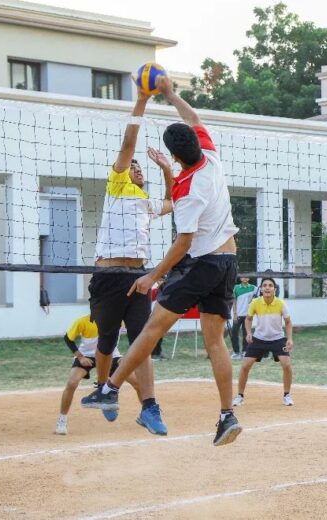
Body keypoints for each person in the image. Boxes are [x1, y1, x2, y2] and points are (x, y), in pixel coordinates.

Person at [82, 75, 243, 447]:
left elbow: (184, 241)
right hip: (228, 262)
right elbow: (194, 119)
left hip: (201, 264)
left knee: (152, 328)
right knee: (215, 342)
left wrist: (154, 275)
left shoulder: (185, 191)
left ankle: (111, 389)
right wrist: (170, 94)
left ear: (173, 155)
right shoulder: (212, 160)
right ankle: (226, 414)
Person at [86, 90, 173, 435]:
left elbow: (171, 202)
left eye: (139, 166)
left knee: (143, 341)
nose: (135, 167)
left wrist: (166, 169)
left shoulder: (146, 204)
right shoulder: (117, 185)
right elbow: (127, 145)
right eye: (132, 165)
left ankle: (150, 407)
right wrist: (141, 103)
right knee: (106, 342)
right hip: (108, 276)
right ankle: (105, 389)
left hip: (138, 277)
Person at [56, 314, 141, 435]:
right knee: (71, 383)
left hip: (111, 356)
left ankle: (146, 412)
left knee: (137, 382)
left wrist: (126, 356)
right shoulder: (83, 321)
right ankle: (62, 420)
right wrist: (80, 357)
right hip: (87, 356)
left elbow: (137, 334)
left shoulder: (118, 320)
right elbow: (67, 338)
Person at [233, 277, 295, 406]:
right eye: (265, 285)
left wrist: (289, 339)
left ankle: (287, 395)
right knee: (245, 366)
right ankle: (239, 396)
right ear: (260, 289)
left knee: (287, 365)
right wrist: (249, 333)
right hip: (259, 338)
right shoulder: (255, 303)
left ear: (274, 289)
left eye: (270, 285)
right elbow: (248, 319)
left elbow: (288, 322)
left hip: (277, 338)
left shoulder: (280, 303)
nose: (267, 287)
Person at [230, 277, 256, 360]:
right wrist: (234, 314)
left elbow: (260, 293)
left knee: (246, 334)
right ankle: (236, 352)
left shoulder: (253, 288)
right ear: (240, 278)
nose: (245, 278)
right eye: (243, 277)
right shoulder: (236, 288)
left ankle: (245, 351)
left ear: (249, 278)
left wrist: (253, 300)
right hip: (238, 315)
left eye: (247, 277)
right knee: (234, 333)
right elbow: (234, 301)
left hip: (248, 315)